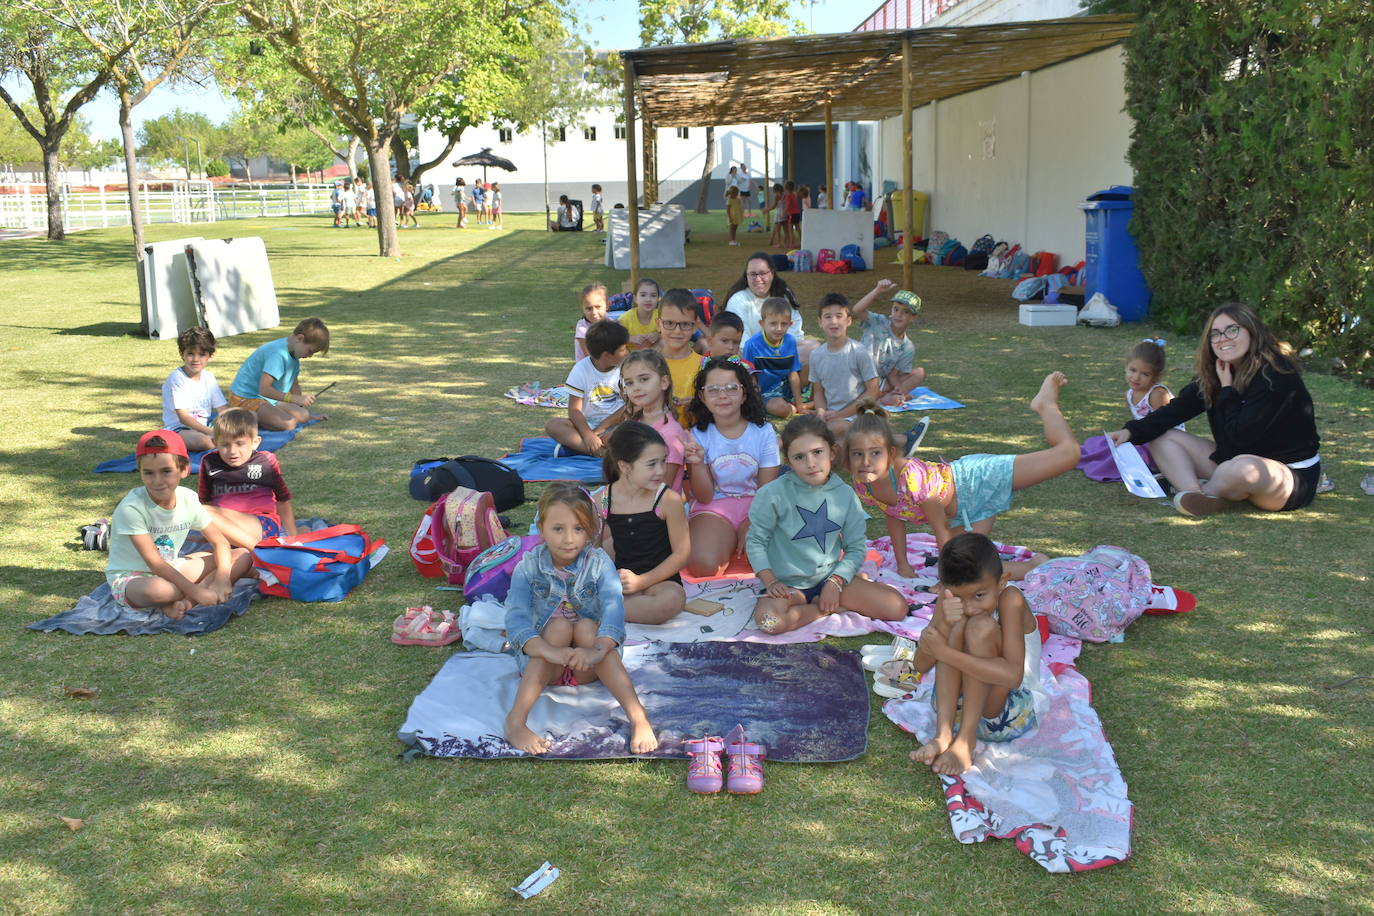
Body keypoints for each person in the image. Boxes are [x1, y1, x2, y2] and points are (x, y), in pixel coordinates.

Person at [845, 375, 1078, 578]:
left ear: (891, 453)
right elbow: (893, 516)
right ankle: (1034, 567)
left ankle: (1046, 404)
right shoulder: (864, 484)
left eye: (875, 453)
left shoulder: (912, 481)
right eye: (857, 454)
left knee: (1069, 454)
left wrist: (944, 581)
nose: (865, 462)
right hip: (965, 513)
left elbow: (941, 531)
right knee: (968, 572)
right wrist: (903, 564)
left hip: (977, 479)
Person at [1108, 303, 1321, 516]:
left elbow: (1241, 439)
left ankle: (1208, 491)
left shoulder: (1275, 375)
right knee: (1162, 436)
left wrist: (1228, 390)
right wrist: (1132, 431)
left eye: (1232, 330)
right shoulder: (1218, 371)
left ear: (1252, 332)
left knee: (1240, 469)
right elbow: (1176, 410)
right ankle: (1196, 496)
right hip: (1233, 458)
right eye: (1215, 334)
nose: (1223, 339)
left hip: (1287, 475)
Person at [503, 483, 658, 756]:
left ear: (591, 531)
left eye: (578, 529)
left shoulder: (599, 563)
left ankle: (638, 716)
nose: (568, 539)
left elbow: (614, 610)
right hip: (545, 664)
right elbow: (516, 621)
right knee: (559, 626)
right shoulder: (527, 567)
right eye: (558, 528)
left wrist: (598, 649)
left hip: (590, 666)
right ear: (541, 528)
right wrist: (551, 650)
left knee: (588, 627)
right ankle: (515, 722)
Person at [748, 415, 907, 635]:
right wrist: (771, 581)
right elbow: (755, 541)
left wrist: (835, 581)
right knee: (769, 623)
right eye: (799, 457)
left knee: (897, 608)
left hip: (829, 578)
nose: (811, 463)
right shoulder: (772, 494)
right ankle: (819, 609)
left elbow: (856, 547)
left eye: (817, 452)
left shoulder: (845, 495)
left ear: (832, 452)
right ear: (789, 462)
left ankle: (824, 599)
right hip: (786, 585)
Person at [910, 532, 1047, 776]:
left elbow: (1013, 676)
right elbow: (920, 665)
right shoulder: (949, 598)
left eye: (979, 595)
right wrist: (942, 626)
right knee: (959, 624)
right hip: (954, 708)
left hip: (1009, 712)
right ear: (945, 588)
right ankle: (943, 735)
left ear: (1002, 581)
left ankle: (965, 741)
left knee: (978, 626)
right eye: (959, 597)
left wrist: (946, 652)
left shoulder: (1010, 599)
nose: (970, 606)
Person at [105, 430, 253, 620]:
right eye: (149, 473)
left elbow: (220, 542)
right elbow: (154, 563)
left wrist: (223, 578)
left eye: (166, 471)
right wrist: (197, 592)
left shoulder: (188, 498)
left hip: (172, 568)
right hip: (133, 579)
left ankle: (184, 604)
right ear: (140, 472)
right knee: (160, 591)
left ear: (183, 470)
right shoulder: (131, 508)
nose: (157, 481)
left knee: (241, 555)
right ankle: (190, 596)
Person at [681, 358, 780, 577]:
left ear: (744, 393)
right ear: (702, 397)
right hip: (714, 508)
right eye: (713, 389)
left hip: (757, 505)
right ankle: (727, 540)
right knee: (703, 566)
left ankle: (737, 539)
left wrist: (753, 522)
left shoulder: (764, 432)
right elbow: (705, 496)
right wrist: (696, 463)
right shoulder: (698, 435)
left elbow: (768, 489)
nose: (723, 395)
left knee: (773, 562)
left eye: (731, 388)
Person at [597, 423, 690, 624]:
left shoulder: (667, 500)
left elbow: (681, 554)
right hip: (622, 581)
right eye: (651, 464)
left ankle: (603, 611)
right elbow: (592, 546)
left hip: (661, 580)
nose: (660, 471)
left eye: (663, 462)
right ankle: (608, 607)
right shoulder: (604, 498)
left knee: (670, 602)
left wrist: (642, 581)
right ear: (625, 466)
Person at [1078, 338, 1177, 481]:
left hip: (1162, 443)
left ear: (1156, 376)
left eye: (1145, 374)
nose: (1136, 377)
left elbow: (1163, 425)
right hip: (1143, 435)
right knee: (1109, 443)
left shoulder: (1157, 394)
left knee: (1127, 452)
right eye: (1133, 370)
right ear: (1126, 366)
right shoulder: (1131, 393)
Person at [198, 407, 297, 549]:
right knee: (201, 511)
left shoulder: (265, 461)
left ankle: (258, 551)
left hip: (262, 525)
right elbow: (206, 500)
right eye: (225, 445)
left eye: (240, 443)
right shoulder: (209, 462)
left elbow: (283, 501)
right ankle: (249, 552)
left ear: (255, 442)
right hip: (226, 529)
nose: (232, 451)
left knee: (202, 512)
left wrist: (293, 538)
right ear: (215, 443)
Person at [228, 317, 330, 432]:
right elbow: (264, 389)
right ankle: (244, 418)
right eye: (310, 351)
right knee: (289, 424)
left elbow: (294, 385)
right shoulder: (277, 354)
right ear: (300, 338)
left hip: (267, 399)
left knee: (303, 416)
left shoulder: (294, 353)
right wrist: (293, 399)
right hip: (245, 398)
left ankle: (265, 416)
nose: (310, 355)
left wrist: (300, 403)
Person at [546, 320, 629, 457]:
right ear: (606, 356)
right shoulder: (580, 369)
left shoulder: (627, 368)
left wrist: (598, 431)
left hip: (618, 424)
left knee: (632, 431)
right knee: (553, 425)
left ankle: (582, 448)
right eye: (623, 349)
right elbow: (574, 409)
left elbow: (630, 406)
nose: (627, 353)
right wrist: (587, 434)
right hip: (589, 424)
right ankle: (601, 452)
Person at [723, 253, 813, 370]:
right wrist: (768, 353)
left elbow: (795, 331)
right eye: (753, 274)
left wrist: (778, 351)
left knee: (813, 347)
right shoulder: (738, 300)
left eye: (762, 273)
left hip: (783, 352)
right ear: (746, 276)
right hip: (751, 357)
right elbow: (742, 343)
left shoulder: (783, 294)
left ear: (772, 273)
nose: (758, 279)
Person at [809, 292, 881, 434]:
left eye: (839, 316)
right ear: (820, 322)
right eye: (828, 317)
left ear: (848, 321)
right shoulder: (816, 355)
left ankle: (901, 441)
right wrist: (821, 412)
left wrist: (841, 415)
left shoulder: (859, 352)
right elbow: (818, 391)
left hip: (860, 415)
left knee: (830, 432)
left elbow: (873, 391)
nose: (834, 321)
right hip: (832, 417)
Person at [850, 280, 928, 406]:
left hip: (879, 381)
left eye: (905, 311)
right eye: (896, 309)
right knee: (880, 386)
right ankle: (883, 399)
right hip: (857, 373)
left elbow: (893, 374)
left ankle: (892, 395)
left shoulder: (907, 347)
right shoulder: (878, 321)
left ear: (913, 317)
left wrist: (898, 387)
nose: (899, 314)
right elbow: (856, 310)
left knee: (920, 373)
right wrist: (877, 290)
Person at [619, 348, 686, 490]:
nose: (636, 387)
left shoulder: (671, 433)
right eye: (629, 383)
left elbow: (662, 488)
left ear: (664, 382)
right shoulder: (633, 423)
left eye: (644, 379)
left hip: (654, 506)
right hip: (627, 494)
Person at [161, 326, 227, 453]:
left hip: (205, 426)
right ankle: (225, 442)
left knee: (244, 421)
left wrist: (232, 426)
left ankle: (229, 442)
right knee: (205, 442)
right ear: (182, 354)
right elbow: (183, 418)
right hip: (179, 429)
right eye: (190, 354)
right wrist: (213, 433)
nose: (196, 359)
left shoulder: (209, 377)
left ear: (210, 356)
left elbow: (223, 409)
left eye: (202, 354)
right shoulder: (177, 378)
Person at [742, 297, 805, 419]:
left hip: (786, 387)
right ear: (762, 323)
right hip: (766, 392)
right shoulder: (752, 344)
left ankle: (800, 404)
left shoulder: (790, 341)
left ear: (790, 324)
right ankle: (789, 407)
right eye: (773, 323)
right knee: (780, 409)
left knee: (810, 366)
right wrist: (753, 402)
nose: (779, 328)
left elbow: (793, 374)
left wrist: (800, 403)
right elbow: (749, 376)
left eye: (784, 324)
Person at [656, 288, 706, 424]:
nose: (677, 331)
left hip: (696, 437)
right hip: (655, 437)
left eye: (685, 324)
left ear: (695, 326)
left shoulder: (705, 365)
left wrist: (698, 405)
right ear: (658, 324)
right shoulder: (648, 365)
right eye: (670, 323)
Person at [618, 277, 661, 350]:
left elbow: (671, 334)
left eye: (653, 295)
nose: (648, 299)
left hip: (654, 354)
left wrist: (658, 335)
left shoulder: (661, 316)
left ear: (658, 299)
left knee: (663, 342)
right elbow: (614, 338)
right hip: (630, 356)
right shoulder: (626, 318)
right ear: (635, 298)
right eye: (643, 295)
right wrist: (630, 338)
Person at [573, 282, 610, 362]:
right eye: (589, 309)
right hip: (588, 369)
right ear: (582, 308)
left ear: (607, 305)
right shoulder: (582, 328)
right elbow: (590, 356)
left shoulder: (611, 323)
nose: (594, 312)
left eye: (598, 307)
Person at [783, 180, 802, 249]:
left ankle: (791, 244)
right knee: (798, 228)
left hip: (791, 214)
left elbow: (787, 205)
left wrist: (784, 212)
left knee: (790, 229)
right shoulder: (794, 194)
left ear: (786, 188)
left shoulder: (788, 196)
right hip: (797, 213)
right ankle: (802, 241)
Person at [767, 183, 786, 248]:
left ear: (776, 190)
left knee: (778, 230)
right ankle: (773, 240)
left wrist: (767, 210)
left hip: (778, 214)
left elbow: (774, 206)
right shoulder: (785, 195)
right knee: (784, 229)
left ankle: (778, 243)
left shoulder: (777, 196)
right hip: (784, 213)